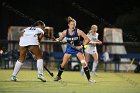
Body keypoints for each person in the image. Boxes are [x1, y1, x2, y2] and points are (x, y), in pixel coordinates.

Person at [54, 16, 95, 83]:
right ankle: (58, 76)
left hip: (78, 50)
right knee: (63, 63)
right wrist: (57, 39)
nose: (73, 26)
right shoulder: (65, 32)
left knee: (84, 63)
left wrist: (82, 46)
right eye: (71, 25)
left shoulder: (79, 31)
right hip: (69, 49)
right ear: (68, 25)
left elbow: (87, 39)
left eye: (74, 25)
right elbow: (60, 39)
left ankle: (89, 79)